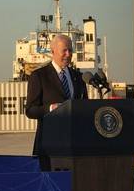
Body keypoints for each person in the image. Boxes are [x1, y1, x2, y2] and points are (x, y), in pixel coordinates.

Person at [25, 34, 88, 169]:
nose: (68, 54)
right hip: (49, 145)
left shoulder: (77, 77)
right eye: (64, 50)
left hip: (74, 145)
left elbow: (84, 106)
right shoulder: (39, 76)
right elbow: (30, 110)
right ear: (53, 52)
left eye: (70, 50)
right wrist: (50, 108)